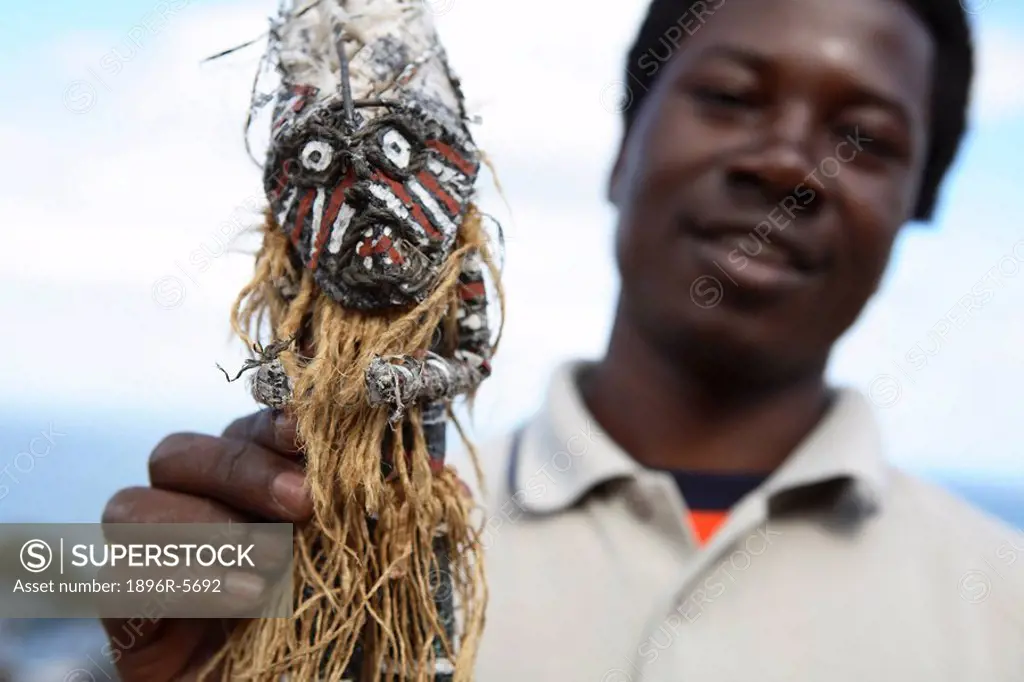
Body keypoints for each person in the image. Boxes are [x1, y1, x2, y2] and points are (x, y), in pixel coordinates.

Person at [101, 0, 1024, 679]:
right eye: (734, 96)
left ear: (922, 204)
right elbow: (33, 573)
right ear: (624, 149)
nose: (789, 163)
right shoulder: (343, 541)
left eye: (862, 138)